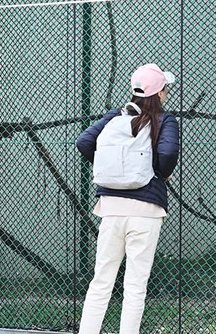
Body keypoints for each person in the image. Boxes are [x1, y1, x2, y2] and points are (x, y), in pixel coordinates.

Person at [75, 64, 181, 334]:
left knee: (101, 280)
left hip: (110, 210)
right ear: (159, 93)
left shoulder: (115, 116)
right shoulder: (164, 120)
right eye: (165, 89)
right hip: (146, 211)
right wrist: (160, 173)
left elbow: (84, 142)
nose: (167, 94)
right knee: (135, 285)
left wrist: (112, 169)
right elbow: (168, 154)